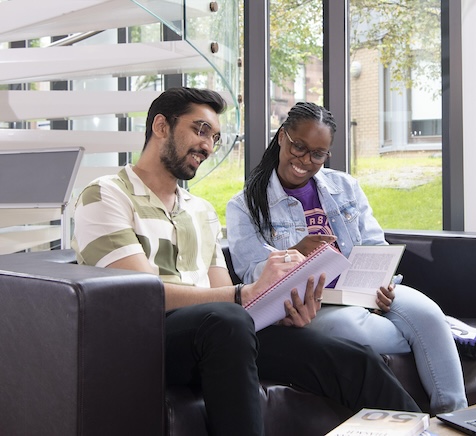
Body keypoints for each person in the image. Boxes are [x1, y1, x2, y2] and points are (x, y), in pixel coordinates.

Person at [71, 88, 420, 436]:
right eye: (200, 130)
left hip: (219, 331)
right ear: (161, 126)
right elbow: (142, 298)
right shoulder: (106, 195)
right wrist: (243, 295)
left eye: (215, 137)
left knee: (352, 360)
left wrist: (279, 307)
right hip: (146, 340)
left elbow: (223, 292)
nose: (208, 146)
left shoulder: (201, 211)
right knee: (227, 319)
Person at [226, 101, 476, 414]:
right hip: (316, 305)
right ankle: (448, 336)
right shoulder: (245, 205)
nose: (305, 160)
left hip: (366, 288)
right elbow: (252, 275)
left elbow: (374, 243)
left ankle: (454, 419)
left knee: (427, 312)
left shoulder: (345, 187)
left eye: (318, 154)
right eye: (299, 147)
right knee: (362, 332)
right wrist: (295, 254)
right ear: (282, 136)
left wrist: (383, 280)